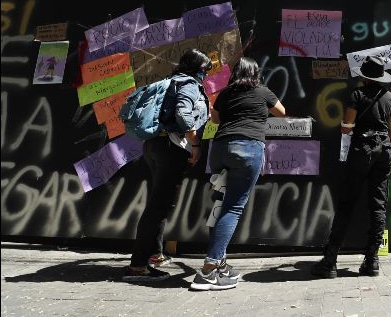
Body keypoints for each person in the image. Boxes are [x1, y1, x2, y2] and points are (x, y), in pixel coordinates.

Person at [190, 56, 286, 291]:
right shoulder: (262, 91)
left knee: (220, 205)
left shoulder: (225, 93)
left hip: (221, 148)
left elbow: (215, 118)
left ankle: (220, 264)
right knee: (232, 208)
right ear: (256, 73)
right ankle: (208, 271)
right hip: (248, 149)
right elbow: (282, 112)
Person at [122, 49, 212, 282]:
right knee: (158, 207)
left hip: (154, 146)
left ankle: (154, 254)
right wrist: (195, 144)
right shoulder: (190, 84)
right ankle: (138, 266)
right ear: (198, 69)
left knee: (158, 202)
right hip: (172, 148)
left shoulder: (170, 81)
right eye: (205, 70)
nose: (206, 75)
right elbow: (183, 114)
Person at [311, 55, 391, 278]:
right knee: (378, 205)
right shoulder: (389, 97)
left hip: (363, 151)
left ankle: (330, 261)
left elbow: (347, 128)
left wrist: (343, 124)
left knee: (347, 203)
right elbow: (389, 126)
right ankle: (372, 261)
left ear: (365, 76)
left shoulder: (357, 95)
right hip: (384, 152)